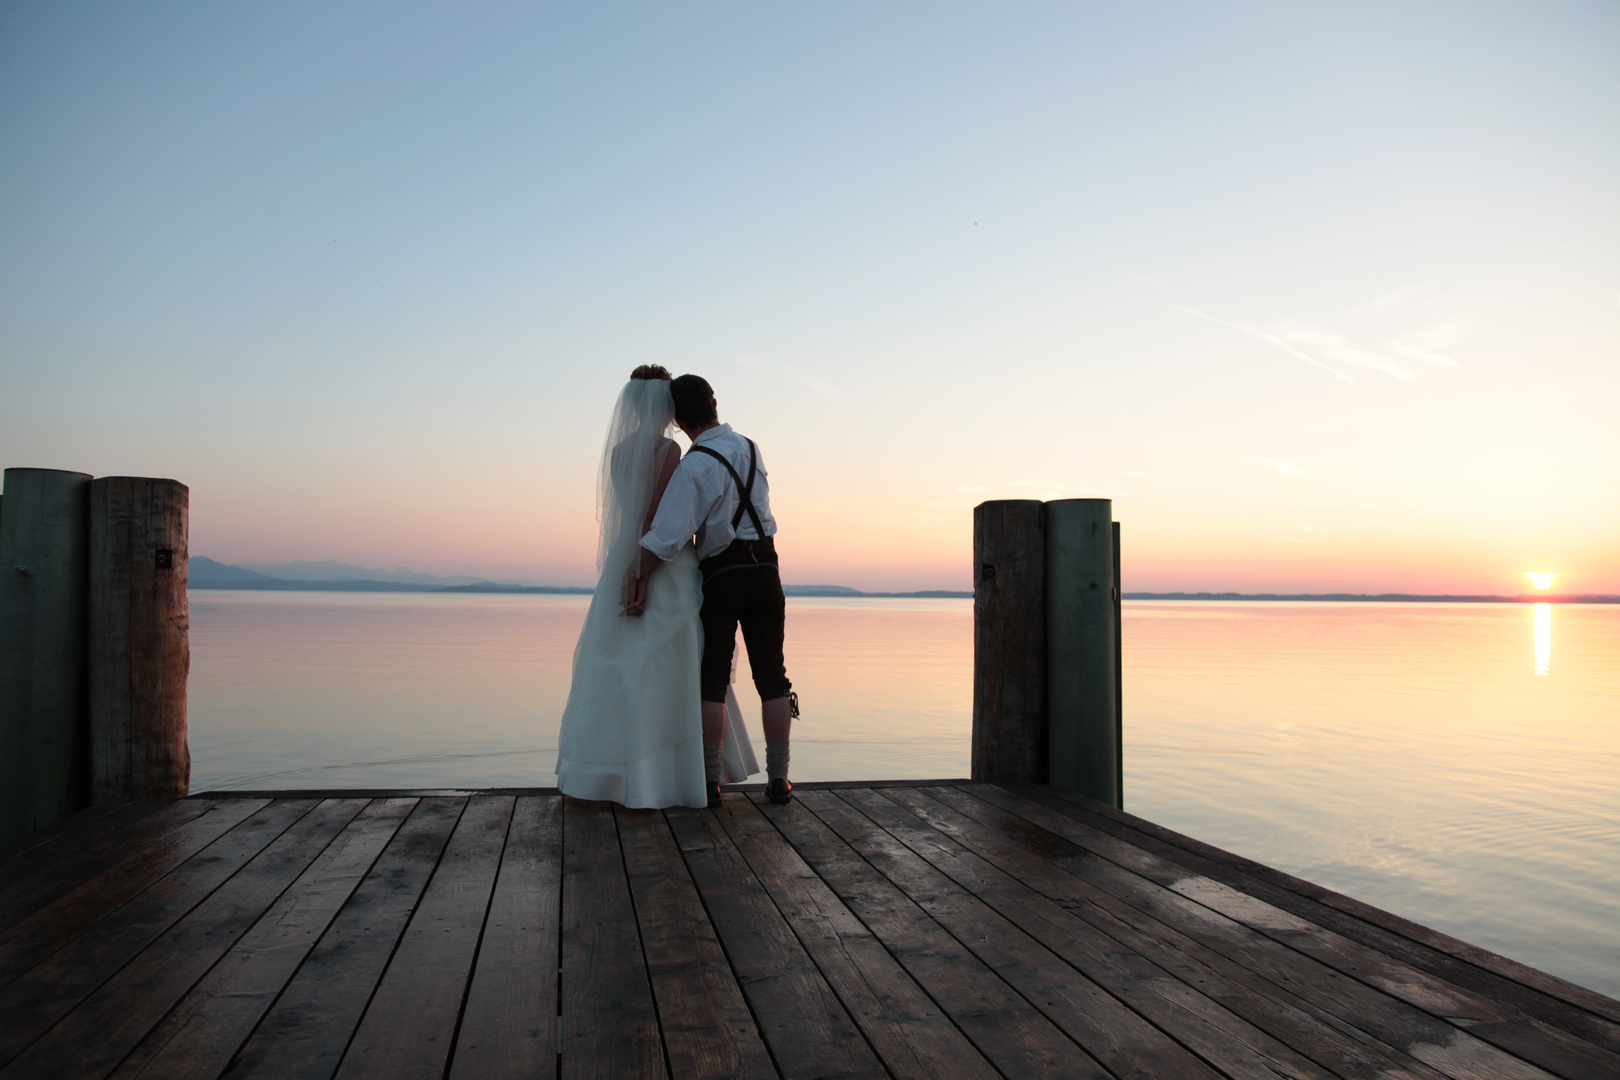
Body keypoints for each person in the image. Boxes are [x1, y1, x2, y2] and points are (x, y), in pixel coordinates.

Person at [554, 366, 758, 808]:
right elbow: (658, 519)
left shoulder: (619, 452)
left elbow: (629, 515)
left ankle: (607, 771)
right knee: (676, 661)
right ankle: (678, 773)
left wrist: (628, 569)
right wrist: (644, 574)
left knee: (618, 662)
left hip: (623, 558)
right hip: (661, 562)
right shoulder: (669, 450)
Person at [632, 374, 798, 806]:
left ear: (677, 419)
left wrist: (635, 574)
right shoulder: (750, 446)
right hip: (767, 568)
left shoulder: (693, 465)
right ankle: (779, 780)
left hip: (722, 573)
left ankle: (710, 782)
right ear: (714, 402)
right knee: (773, 680)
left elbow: (666, 539)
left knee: (713, 682)